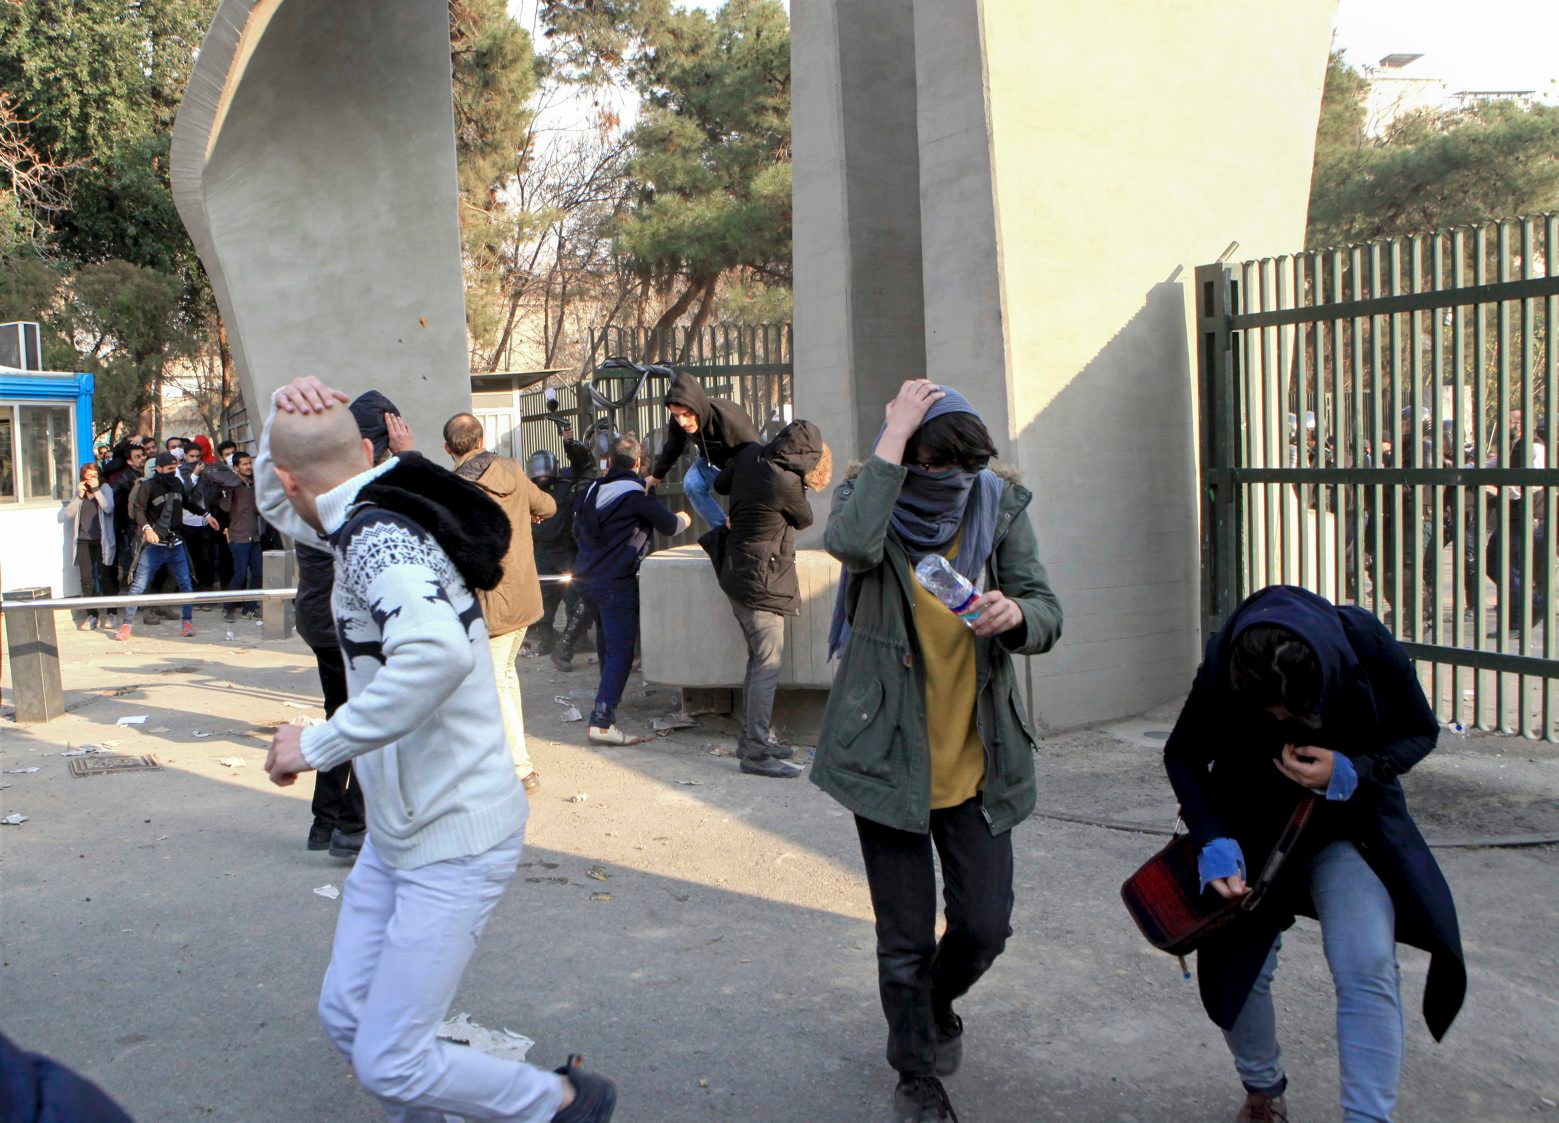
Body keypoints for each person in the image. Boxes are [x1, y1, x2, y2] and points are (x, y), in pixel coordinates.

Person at [258, 375, 616, 1123]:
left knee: (389, 1057)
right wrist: (282, 412)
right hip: (402, 832)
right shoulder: (378, 498)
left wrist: (316, 744)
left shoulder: (376, 540)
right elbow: (282, 494)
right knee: (351, 1023)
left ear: (297, 476)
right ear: (365, 449)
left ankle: (559, 1101)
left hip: (453, 837)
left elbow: (435, 656)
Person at [814, 380, 1062, 1123]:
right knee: (903, 937)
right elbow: (849, 544)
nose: (949, 479)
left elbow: (1046, 610)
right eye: (931, 463)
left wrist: (1015, 612)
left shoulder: (998, 507)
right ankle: (915, 1072)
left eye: (962, 466)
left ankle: (929, 1005)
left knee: (985, 927)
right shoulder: (873, 502)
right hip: (885, 752)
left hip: (978, 754)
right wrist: (891, 437)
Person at [1163, 584, 1466, 1123]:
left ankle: (1367, 1118)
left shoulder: (1362, 642)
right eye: (1268, 712)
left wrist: (1352, 769)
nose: (1281, 721)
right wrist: (1212, 836)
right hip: (1250, 835)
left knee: (1366, 963)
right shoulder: (1223, 658)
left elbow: (1419, 731)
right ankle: (1262, 1089)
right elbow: (1184, 752)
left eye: (1293, 709)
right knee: (1238, 968)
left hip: (1343, 829)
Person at [256, 390, 407, 860]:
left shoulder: (315, 494)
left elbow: (270, 497)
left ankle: (324, 823)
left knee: (338, 715)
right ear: (372, 448)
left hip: (319, 623)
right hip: (357, 634)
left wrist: (277, 415)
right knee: (366, 725)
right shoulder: (374, 499)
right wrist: (409, 458)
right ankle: (351, 828)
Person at [700, 419, 832, 779]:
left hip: (736, 570)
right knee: (767, 665)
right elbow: (804, 520)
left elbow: (720, 483)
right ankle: (756, 753)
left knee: (759, 661)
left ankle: (752, 741)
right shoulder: (786, 482)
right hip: (762, 580)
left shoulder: (749, 456)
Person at [444, 412, 557, 794]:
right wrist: (525, 507)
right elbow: (550, 507)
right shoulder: (510, 468)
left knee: (493, 682)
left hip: (487, 601)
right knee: (504, 676)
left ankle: (519, 769)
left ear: (448, 448)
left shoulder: (454, 488)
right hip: (522, 596)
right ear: (481, 439)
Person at [572, 434, 691, 744]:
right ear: (639, 463)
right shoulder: (638, 496)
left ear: (611, 462)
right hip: (616, 583)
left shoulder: (591, 491)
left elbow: (577, 530)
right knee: (621, 651)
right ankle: (601, 719)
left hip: (585, 579)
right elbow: (670, 527)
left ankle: (606, 698)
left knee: (605, 643)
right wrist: (685, 517)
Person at [113, 451, 219, 640]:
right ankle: (126, 625)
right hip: (154, 545)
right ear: (159, 469)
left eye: (175, 468)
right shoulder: (148, 486)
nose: (173, 472)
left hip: (176, 543)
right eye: (169, 469)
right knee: (138, 585)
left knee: (186, 584)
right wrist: (147, 529)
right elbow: (137, 509)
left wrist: (207, 515)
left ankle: (187, 623)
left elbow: (188, 502)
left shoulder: (177, 484)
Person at [643, 371, 761, 530]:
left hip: (747, 467)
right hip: (712, 463)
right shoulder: (678, 421)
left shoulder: (730, 420)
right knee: (692, 483)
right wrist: (657, 475)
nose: (682, 421)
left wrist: (735, 512)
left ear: (698, 407)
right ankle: (722, 532)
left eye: (687, 414)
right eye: (677, 416)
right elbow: (673, 445)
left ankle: (740, 527)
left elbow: (751, 465)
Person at [528, 435, 594, 659]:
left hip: (565, 550)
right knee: (544, 598)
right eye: (537, 470)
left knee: (573, 595)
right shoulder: (530, 490)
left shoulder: (567, 484)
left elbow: (582, 465)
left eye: (545, 469)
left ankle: (577, 639)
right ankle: (547, 639)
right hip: (542, 551)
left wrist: (569, 444)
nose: (541, 474)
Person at [204, 450, 264, 620]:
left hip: (254, 536)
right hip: (238, 536)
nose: (248, 467)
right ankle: (228, 607)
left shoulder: (253, 485)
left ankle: (250, 607)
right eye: (244, 464)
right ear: (236, 467)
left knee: (258, 573)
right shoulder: (231, 486)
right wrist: (226, 491)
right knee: (240, 574)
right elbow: (224, 508)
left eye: (250, 463)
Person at [63, 462, 117, 630]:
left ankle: (111, 614)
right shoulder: (80, 492)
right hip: (84, 540)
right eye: (88, 477)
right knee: (86, 580)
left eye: (94, 476)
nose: (91, 480)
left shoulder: (105, 488)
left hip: (102, 541)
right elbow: (68, 514)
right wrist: (79, 496)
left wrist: (96, 490)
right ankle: (91, 615)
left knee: (105, 577)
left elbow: (108, 508)